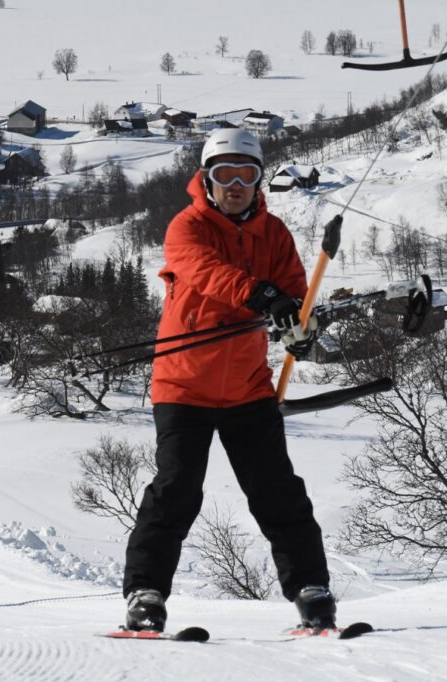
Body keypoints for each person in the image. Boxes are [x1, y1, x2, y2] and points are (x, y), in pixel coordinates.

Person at [122, 128, 334, 632]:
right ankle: (145, 594)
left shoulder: (275, 234)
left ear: (259, 181)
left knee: (277, 490)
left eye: (247, 174)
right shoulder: (186, 226)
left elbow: (294, 299)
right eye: (224, 174)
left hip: (246, 385)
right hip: (184, 385)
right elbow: (208, 274)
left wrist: (299, 330)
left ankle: (311, 590)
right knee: (176, 490)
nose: (236, 184)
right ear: (206, 179)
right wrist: (264, 298)